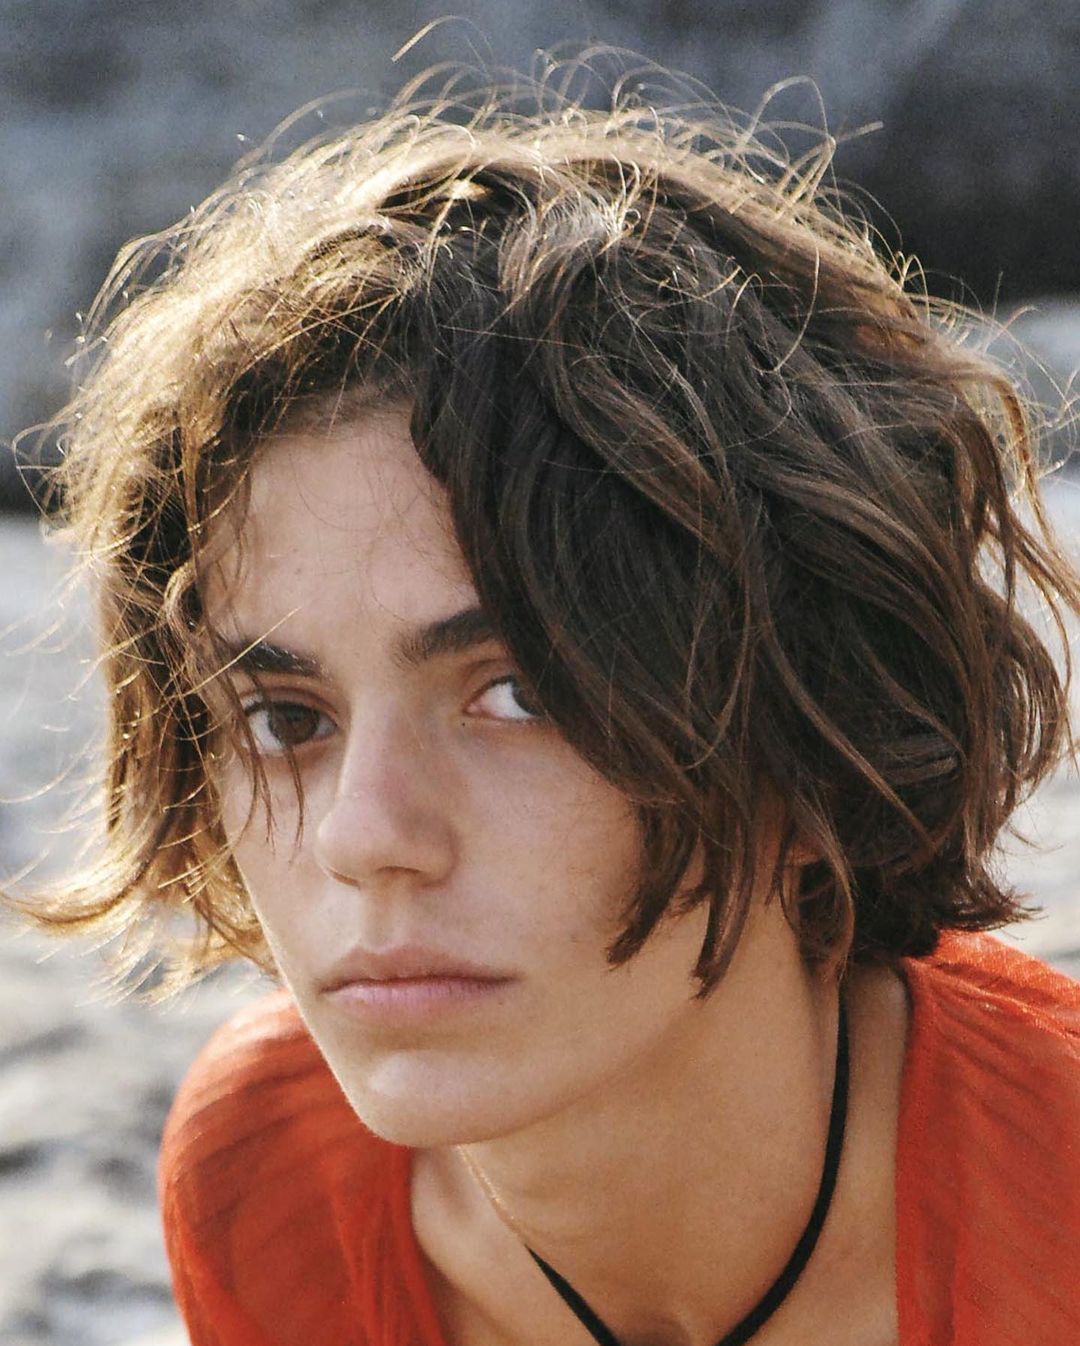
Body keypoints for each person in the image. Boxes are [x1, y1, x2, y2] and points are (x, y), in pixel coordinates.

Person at [23, 67, 1080, 1346]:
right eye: (285, 718)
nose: (363, 836)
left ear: (817, 723)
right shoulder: (274, 1185)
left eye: (520, 691)